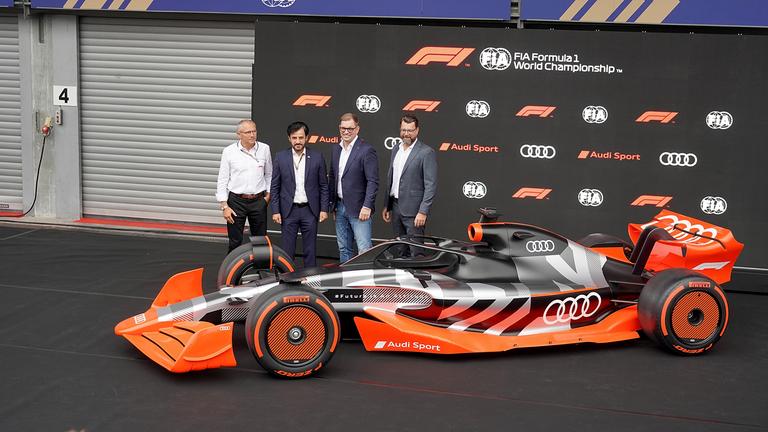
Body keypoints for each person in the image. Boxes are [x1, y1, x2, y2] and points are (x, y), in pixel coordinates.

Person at [270, 121, 329, 268]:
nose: (298, 141)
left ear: (307, 138)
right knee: (287, 250)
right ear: (289, 138)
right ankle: (287, 279)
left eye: (301, 137)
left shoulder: (317, 157)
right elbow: (275, 186)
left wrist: (323, 209)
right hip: (288, 211)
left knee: (310, 249)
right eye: (294, 138)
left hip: (310, 210)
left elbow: (323, 185)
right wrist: (275, 210)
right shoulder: (280, 157)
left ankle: (310, 281)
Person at [329, 113, 379, 263]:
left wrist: (367, 206)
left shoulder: (366, 150)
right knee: (344, 248)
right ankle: (346, 283)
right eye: (343, 128)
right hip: (340, 207)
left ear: (357, 129)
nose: (346, 132)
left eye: (350, 128)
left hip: (360, 209)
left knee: (364, 249)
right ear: (339, 128)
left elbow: (373, 181)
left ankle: (365, 285)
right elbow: (333, 178)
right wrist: (333, 206)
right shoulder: (336, 149)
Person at [382, 115, 437, 250]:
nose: (406, 134)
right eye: (403, 130)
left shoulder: (426, 152)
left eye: (410, 130)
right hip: (395, 207)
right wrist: (387, 205)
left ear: (417, 130)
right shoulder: (396, 149)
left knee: (416, 251)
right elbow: (393, 178)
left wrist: (423, 212)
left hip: (414, 211)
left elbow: (431, 185)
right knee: (400, 249)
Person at [216, 119, 272, 253]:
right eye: (248, 132)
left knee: (260, 241)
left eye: (254, 131)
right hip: (236, 201)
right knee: (235, 240)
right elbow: (222, 179)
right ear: (239, 134)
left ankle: (262, 271)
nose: (252, 135)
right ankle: (233, 272)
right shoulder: (229, 151)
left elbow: (269, 174)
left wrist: (267, 197)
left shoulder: (264, 149)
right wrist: (224, 206)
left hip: (258, 201)